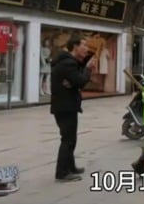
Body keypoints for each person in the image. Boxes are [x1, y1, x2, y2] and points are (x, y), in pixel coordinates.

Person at [50, 35, 96, 182]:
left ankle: (70, 167)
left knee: (71, 139)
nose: (86, 49)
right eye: (84, 45)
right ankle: (62, 172)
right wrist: (87, 69)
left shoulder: (67, 62)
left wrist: (74, 81)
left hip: (65, 105)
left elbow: (75, 81)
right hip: (65, 106)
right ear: (75, 46)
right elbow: (80, 81)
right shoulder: (68, 63)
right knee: (68, 140)